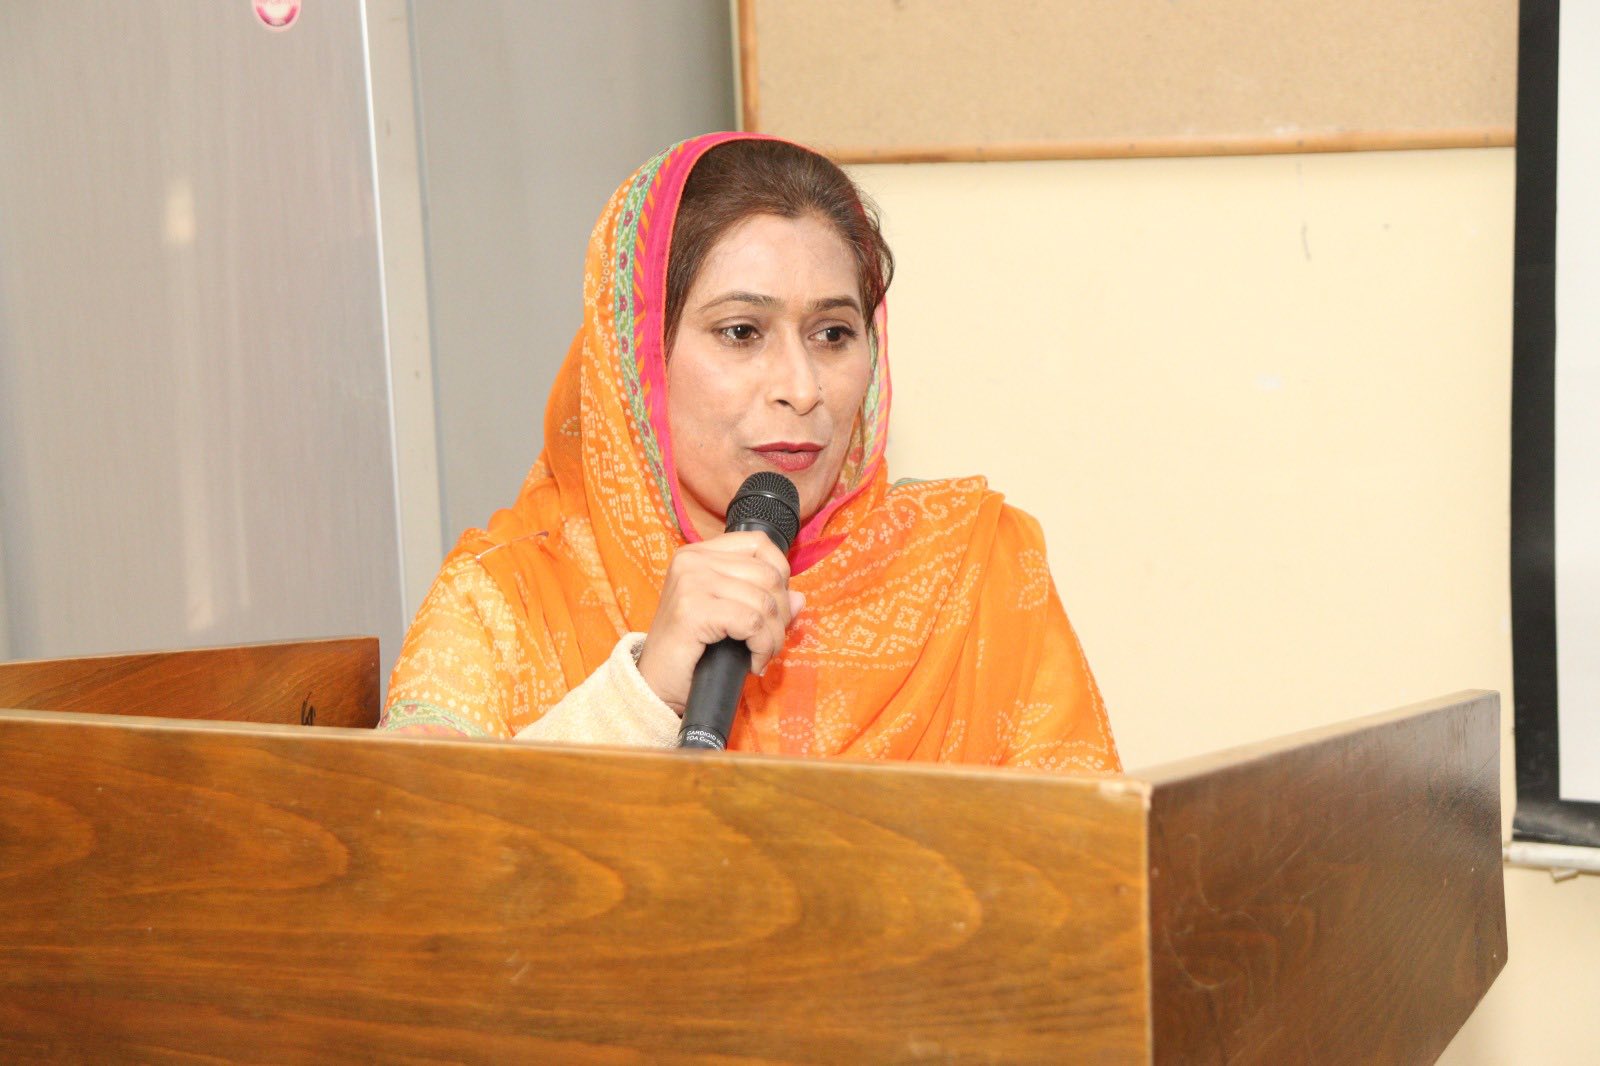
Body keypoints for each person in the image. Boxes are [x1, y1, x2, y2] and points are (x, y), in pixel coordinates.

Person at [379, 132, 1119, 773]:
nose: (802, 388)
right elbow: (408, 861)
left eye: (833, 334)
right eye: (741, 332)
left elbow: (1089, 869)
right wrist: (642, 696)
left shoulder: (972, 574)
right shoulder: (503, 600)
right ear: (635, 361)